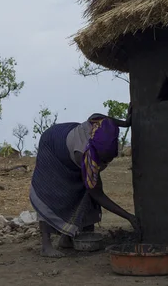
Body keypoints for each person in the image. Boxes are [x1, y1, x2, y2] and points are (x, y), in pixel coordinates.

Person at [29, 108, 138, 258]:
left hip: (66, 137)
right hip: (52, 147)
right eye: (102, 160)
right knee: (52, 194)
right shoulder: (83, 156)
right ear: (94, 152)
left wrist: (125, 123)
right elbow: (97, 194)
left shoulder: (104, 128)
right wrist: (129, 217)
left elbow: (97, 115)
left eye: (108, 160)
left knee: (81, 192)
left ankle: (67, 237)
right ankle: (46, 246)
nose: (104, 164)